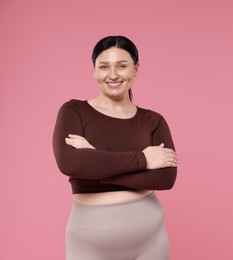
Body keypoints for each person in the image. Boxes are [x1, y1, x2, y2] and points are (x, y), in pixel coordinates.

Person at [52, 35, 178, 260]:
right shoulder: (74, 111)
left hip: (149, 236)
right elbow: (70, 163)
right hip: (88, 238)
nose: (112, 75)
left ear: (136, 69)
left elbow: (165, 179)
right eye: (104, 67)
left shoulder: (154, 120)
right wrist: (144, 160)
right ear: (94, 70)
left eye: (122, 66)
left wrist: (96, 166)